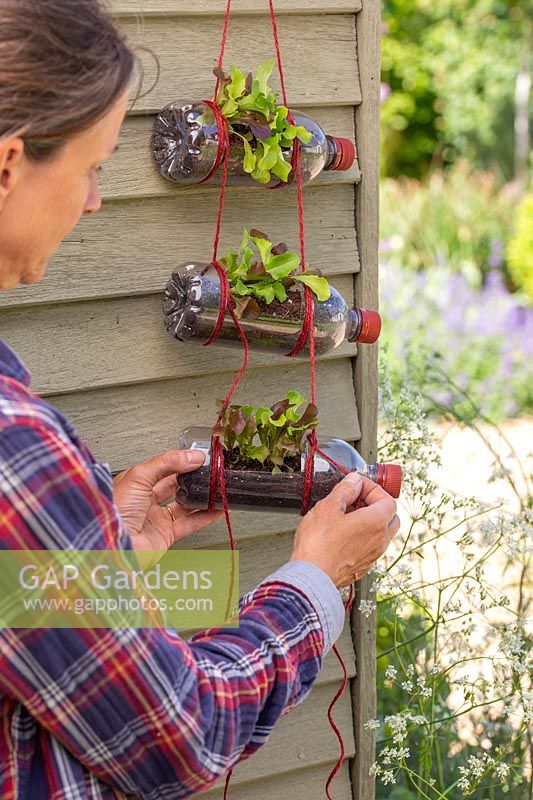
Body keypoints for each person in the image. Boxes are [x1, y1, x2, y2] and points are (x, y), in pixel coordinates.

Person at [0, 1, 400, 798]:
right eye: (90, 167)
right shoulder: (17, 446)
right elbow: (179, 736)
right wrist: (316, 582)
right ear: (9, 165)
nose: (92, 203)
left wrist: (111, 551)